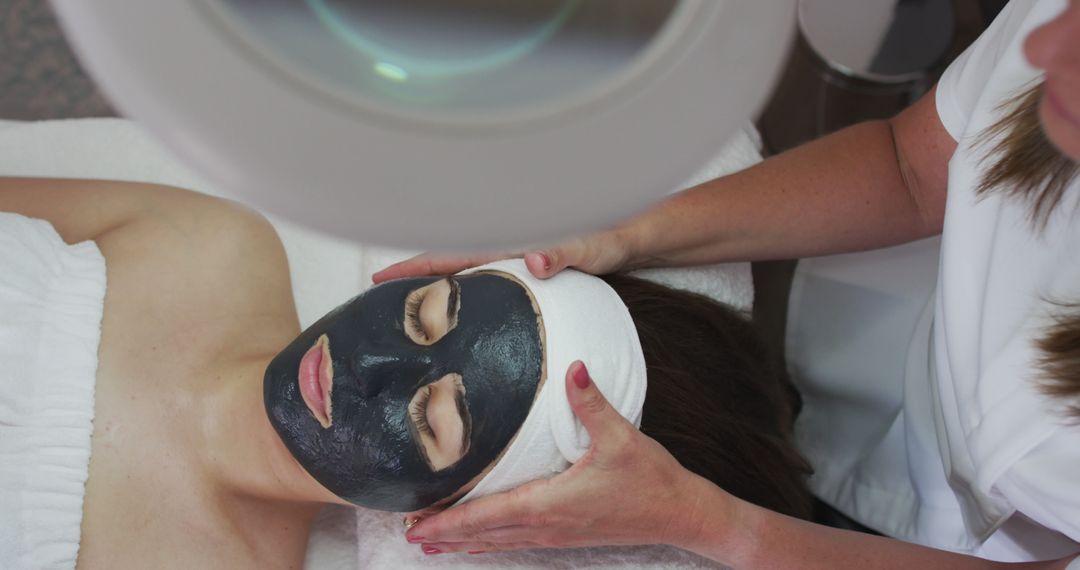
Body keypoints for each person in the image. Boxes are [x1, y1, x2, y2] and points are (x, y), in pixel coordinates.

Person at [376, 0, 1080, 567]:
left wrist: (710, 524)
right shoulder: (1060, 30)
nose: (1043, 46)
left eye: (437, 419)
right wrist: (619, 234)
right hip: (876, 351)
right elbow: (911, 166)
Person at [0, 177, 810, 569]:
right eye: (428, 313)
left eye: (433, 420)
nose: (369, 362)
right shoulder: (211, 243)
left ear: (467, 514)